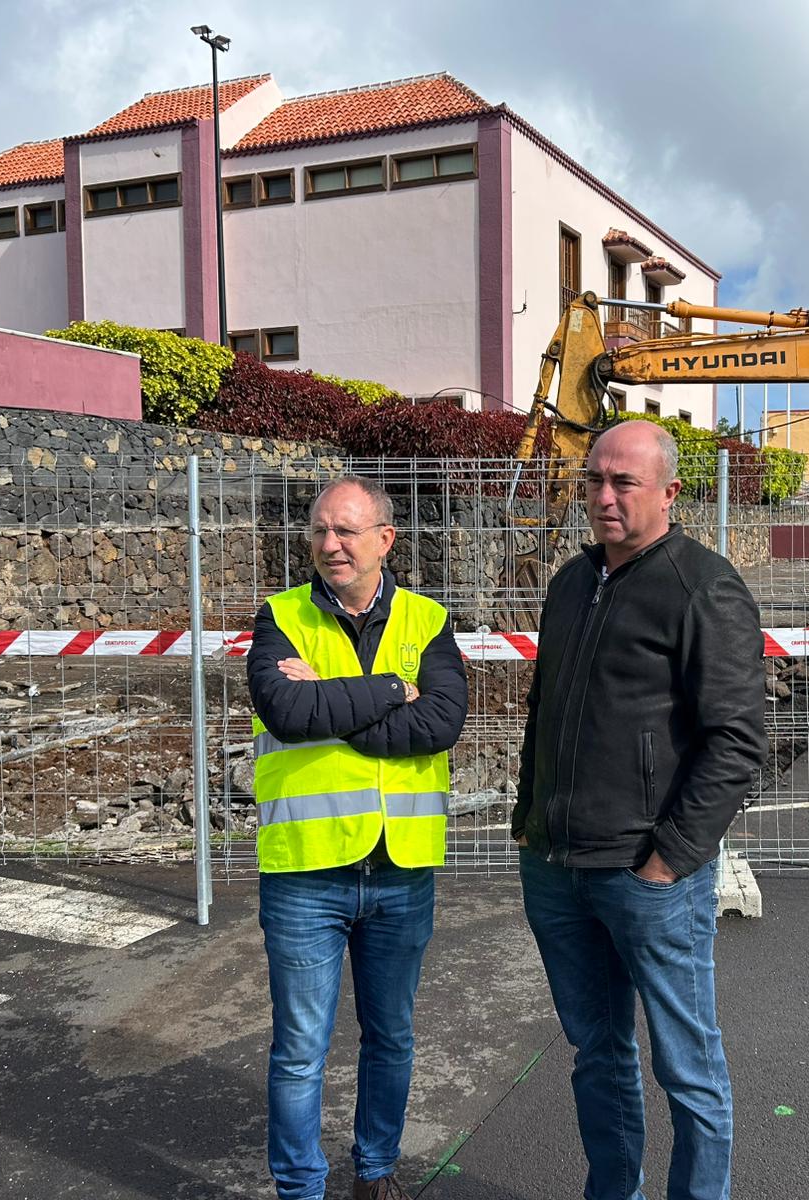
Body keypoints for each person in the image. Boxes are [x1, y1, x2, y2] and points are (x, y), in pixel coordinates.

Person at [511, 419, 768, 1200]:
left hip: (647, 877)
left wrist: (670, 858)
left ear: (669, 492)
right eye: (594, 479)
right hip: (558, 869)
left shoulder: (703, 587)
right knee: (598, 1056)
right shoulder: (571, 582)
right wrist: (527, 820)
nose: (605, 496)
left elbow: (737, 741)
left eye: (624, 482)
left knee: (689, 1071)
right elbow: (544, 708)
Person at [246, 475, 469, 1200]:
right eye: (320, 530)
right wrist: (391, 689)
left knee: (392, 1038)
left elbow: (440, 724)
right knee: (300, 1049)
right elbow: (287, 712)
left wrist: (331, 699)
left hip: (400, 870)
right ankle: (300, 1189)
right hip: (306, 873)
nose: (330, 544)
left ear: (385, 539)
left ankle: (375, 1173)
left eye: (346, 531)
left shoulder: (428, 621)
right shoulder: (280, 617)